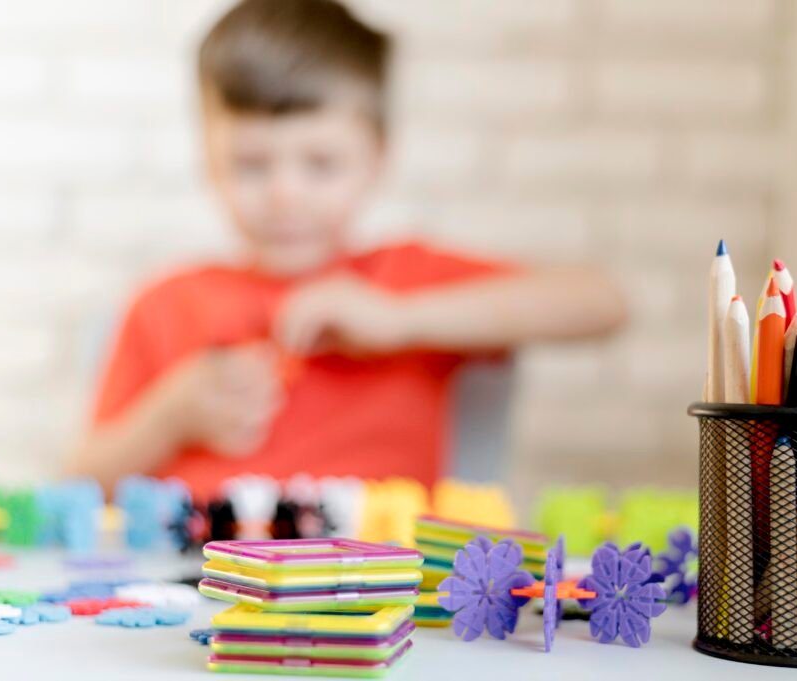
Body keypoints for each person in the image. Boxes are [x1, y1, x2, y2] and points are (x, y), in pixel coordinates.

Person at [67, 0, 626, 499]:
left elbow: (601, 304)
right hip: (197, 592)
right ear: (208, 162)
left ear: (376, 158)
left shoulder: (405, 280)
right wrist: (167, 418)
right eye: (251, 164)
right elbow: (77, 484)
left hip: (376, 592)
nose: (285, 194)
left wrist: (401, 320)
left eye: (321, 163)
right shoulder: (164, 303)